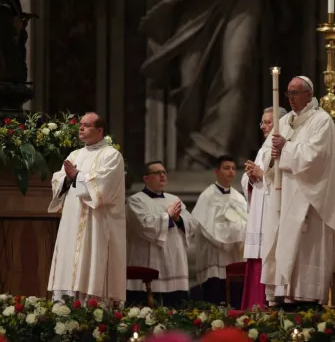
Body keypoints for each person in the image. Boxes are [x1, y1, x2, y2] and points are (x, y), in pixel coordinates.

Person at [130, 0, 300, 169]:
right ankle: (198, 150)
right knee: (190, 84)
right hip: (193, 0)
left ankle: (217, 153)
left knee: (237, 74)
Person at [260, 76, 335, 310]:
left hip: (308, 197)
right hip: (284, 193)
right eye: (289, 93)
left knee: (304, 247)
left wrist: (285, 147)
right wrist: (273, 156)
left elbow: (313, 158)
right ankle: (280, 294)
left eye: (296, 93)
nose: (292, 98)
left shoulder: (322, 121)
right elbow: (266, 153)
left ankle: (304, 299)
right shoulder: (284, 120)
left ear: (309, 94)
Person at [47, 112, 126, 307]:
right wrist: (67, 178)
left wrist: (77, 177)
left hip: (97, 224)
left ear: (100, 130)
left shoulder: (112, 155)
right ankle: (64, 306)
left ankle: (92, 310)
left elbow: (103, 187)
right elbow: (58, 179)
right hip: (72, 222)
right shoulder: (74, 154)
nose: (81, 128)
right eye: (80, 125)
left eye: (87, 125)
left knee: (92, 261)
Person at [126, 161, 199, 308]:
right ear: (146, 178)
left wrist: (178, 219)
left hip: (175, 266)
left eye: (164, 172)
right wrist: (168, 216)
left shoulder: (174, 199)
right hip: (149, 265)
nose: (162, 175)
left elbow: (192, 223)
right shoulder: (136, 200)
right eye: (157, 173)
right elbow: (145, 225)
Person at [240, 106, 288, 310]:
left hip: (275, 213)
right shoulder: (263, 149)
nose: (263, 127)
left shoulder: (286, 147)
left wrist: (263, 176)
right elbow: (249, 182)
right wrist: (251, 177)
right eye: (262, 122)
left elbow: (290, 180)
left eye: (268, 122)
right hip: (259, 210)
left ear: (281, 123)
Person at [190, 155, 248, 307]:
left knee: (235, 301)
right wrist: (229, 233)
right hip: (215, 257)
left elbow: (246, 223)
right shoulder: (207, 196)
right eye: (226, 168)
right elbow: (204, 226)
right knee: (215, 299)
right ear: (217, 171)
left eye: (234, 168)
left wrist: (237, 230)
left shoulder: (239, 198)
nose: (231, 172)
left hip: (234, 256)